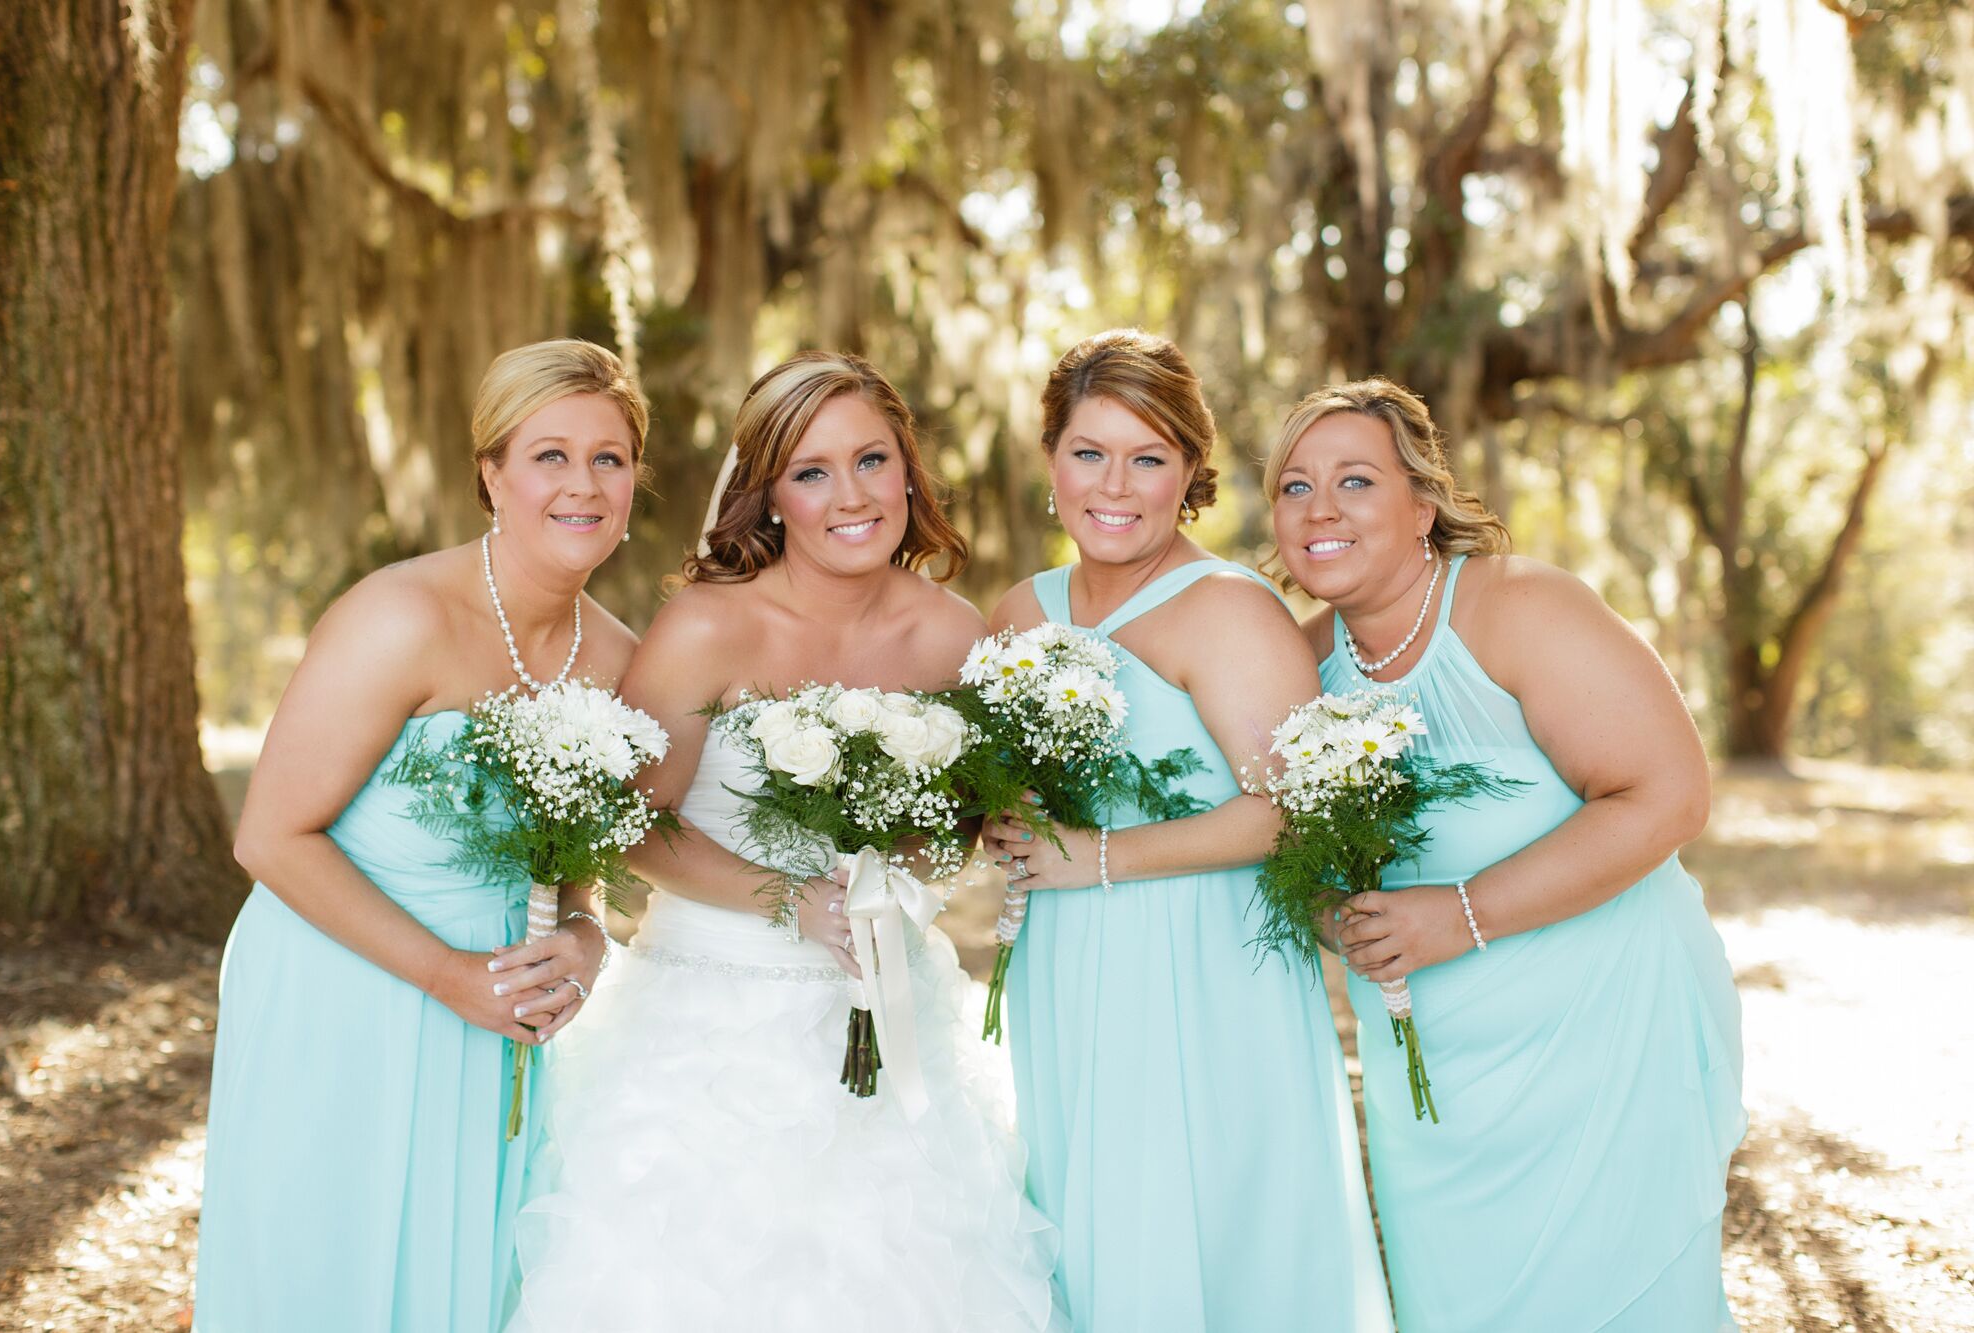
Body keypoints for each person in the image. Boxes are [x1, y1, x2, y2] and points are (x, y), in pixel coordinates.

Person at [507, 351, 1062, 1332]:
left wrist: (895, 883)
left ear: (907, 474)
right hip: (707, 1031)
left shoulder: (954, 635)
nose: (849, 495)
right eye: (810, 472)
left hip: (894, 1016)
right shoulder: (705, 628)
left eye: (871, 461)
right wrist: (788, 896)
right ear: (767, 497)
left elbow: (962, 827)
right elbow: (633, 821)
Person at [1265, 377, 1745, 1332]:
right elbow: (1286, 847)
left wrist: (1462, 912)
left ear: (1423, 503)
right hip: (1435, 1072)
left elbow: (1669, 793)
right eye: (1292, 486)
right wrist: (1331, 911)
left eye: (1355, 480)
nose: (1320, 508)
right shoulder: (1298, 662)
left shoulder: (1523, 608)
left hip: (1602, 1039)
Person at [195, 338, 647, 1331]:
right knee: (333, 1264)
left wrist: (582, 937)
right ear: (490, 473)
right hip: (342, 986)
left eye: (608, 458)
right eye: (549, 456)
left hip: (501, 1013)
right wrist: (447, 974)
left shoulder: (617, 657)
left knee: (474, 1281)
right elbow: (270, 836)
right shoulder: (398, 616)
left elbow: (581, 870)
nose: (581, 485)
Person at [980, 330, 1392, 1332]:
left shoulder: (1227, 612)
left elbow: (1291, 812)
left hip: (1208, 970)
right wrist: (1002, 818)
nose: (1112, 484)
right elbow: (999, 786)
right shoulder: (1014, 613)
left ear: (1188, 474)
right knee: (1086, 1216)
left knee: (1210, 1221)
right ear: (1049, 462)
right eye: (1088, 452)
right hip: (1065, 963)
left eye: (1147, 457)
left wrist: (1101, 856)